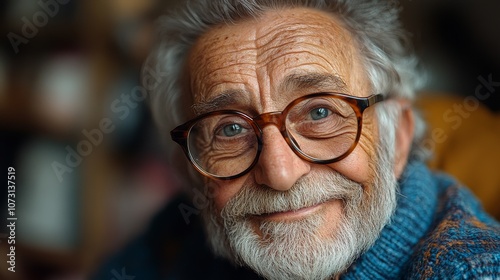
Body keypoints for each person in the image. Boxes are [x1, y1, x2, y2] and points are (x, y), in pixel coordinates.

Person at [93, 0, 500, 279]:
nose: (280, 173)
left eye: (320, 112)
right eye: (230, 128)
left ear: (400, 136)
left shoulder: (472, 268)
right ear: (190, 170)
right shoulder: (188, 231)